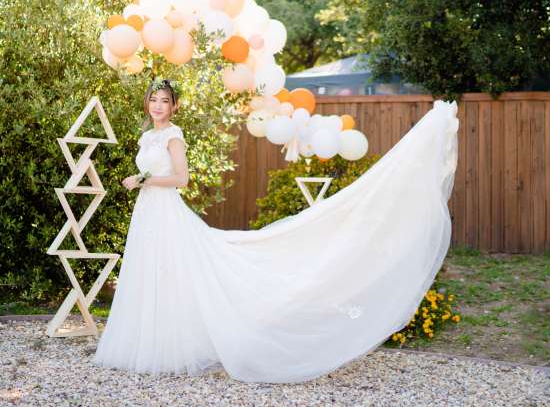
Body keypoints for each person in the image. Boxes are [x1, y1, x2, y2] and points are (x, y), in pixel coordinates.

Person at [93, 78, 460, 384]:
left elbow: (181, 179)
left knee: (175, 271)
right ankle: (152, 343)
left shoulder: (173, 135)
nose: (158, 105)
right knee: (154, 273)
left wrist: (144, 179)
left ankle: (173, 347)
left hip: (164, 207)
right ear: (147, 104)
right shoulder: (147, 136)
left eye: (165, 101)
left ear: (174, 107)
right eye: (153, 100)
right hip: (149, 212)